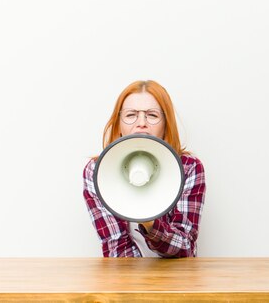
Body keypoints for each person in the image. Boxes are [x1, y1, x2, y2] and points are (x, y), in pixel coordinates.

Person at [83, 80, 206, 258]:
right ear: (118, 124)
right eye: (131, 114)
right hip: (123, 280)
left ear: (166, 124)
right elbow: (116, 247)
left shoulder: (189, 167)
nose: (141, 123)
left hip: (178, 280)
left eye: (152, 115)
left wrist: (151, 224)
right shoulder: (97, 171)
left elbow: (185, 248)